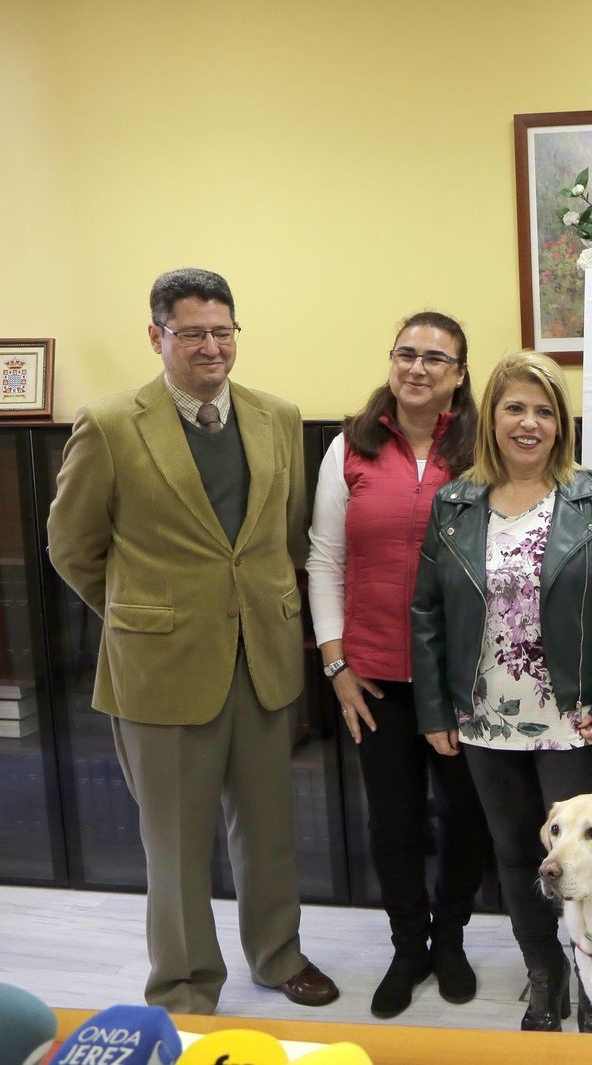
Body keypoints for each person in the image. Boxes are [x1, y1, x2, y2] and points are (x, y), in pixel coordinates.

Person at [47, 268, 339, 1014]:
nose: (211, 347)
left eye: (222, 331)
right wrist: (140, 613)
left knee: (271, 829)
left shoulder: (277, 416)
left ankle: (278, 955)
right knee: (175, 847)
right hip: (160, 669)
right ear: (157, 337)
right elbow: (71, 545)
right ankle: (182, 983)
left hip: (264, 660)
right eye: (192, 333)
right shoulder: (112, 425)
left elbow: (284, 532)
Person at [411, 350, 592, 1031]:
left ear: (560, 425)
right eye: (515, 407)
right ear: (492, 417)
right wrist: (435, 709)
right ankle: (544, 980)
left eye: (544, 410)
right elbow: (427, 612)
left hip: (574, 717)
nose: (530, 422)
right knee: (520, 856)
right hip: (485, 716)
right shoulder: (455, 503)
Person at [306, 311, 490, 1018]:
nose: (417, 368)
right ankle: (408, 945)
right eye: (406, 354)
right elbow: (325, 557)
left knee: (465, 818)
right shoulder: (349, 447)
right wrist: (334, 662)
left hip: (464, 678)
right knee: (394, 822)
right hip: (374, 675)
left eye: (435, 358)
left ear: (459, 374)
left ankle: (451, 940)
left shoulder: (483, 450)